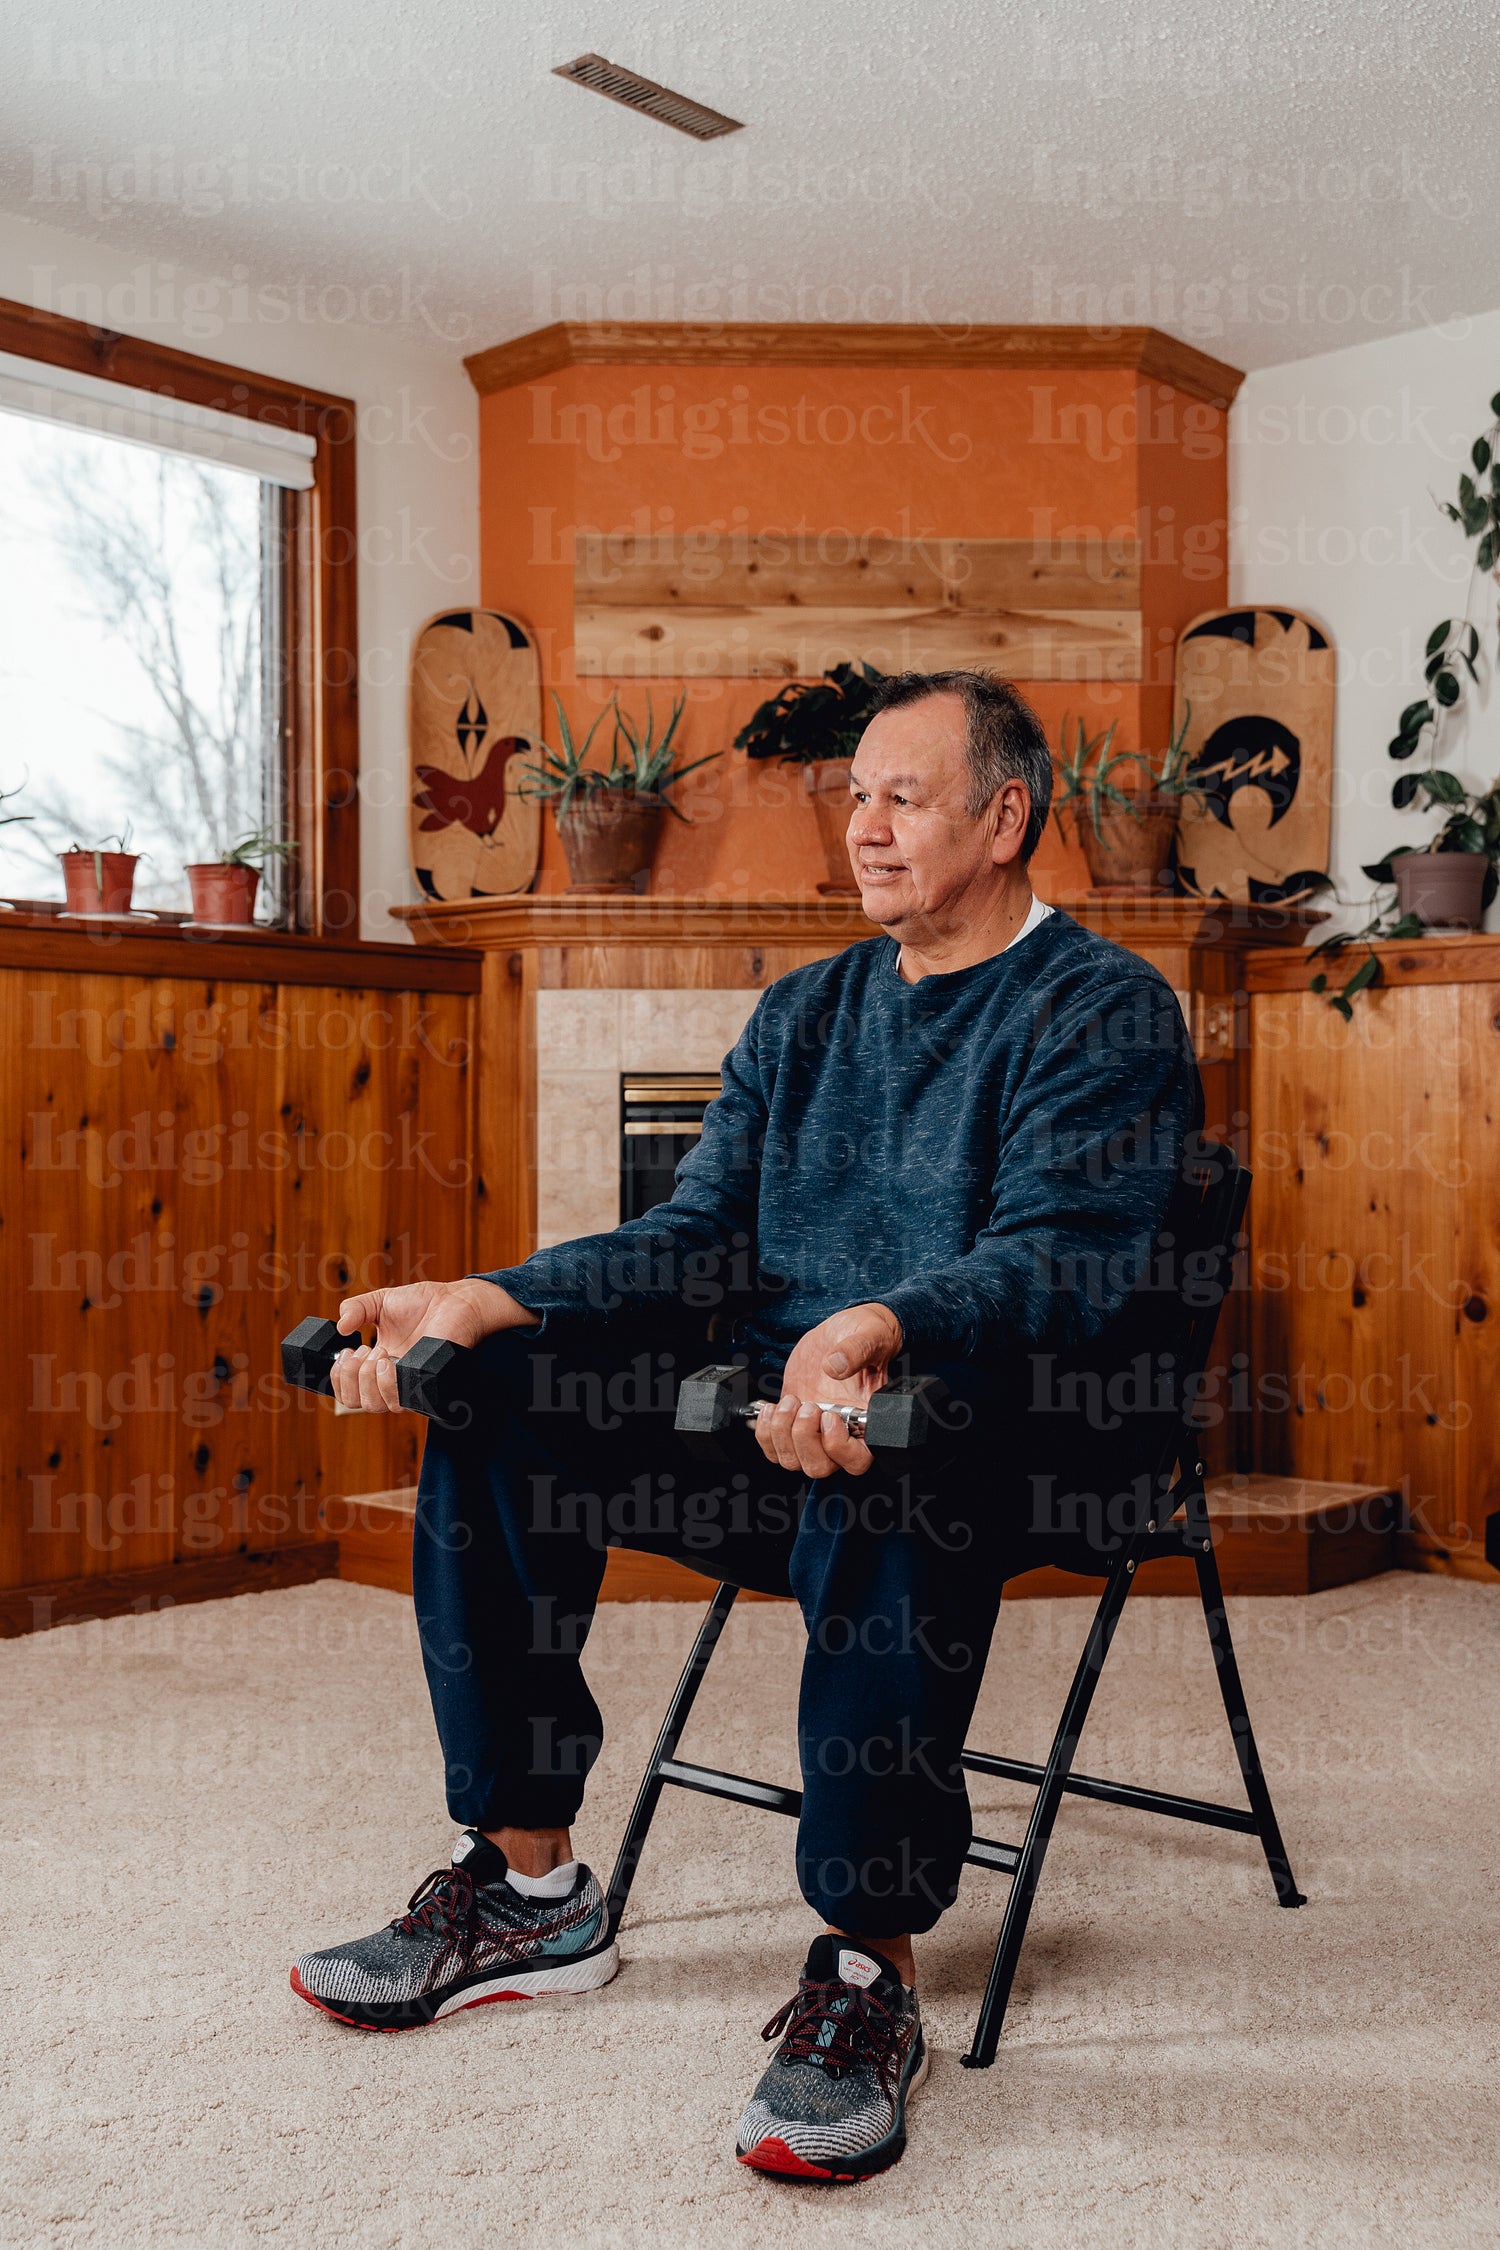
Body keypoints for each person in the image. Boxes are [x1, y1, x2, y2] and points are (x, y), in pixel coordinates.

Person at [290, 670, 1203, 2185]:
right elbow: (701, 1237)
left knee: (888, 1448)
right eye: (857, 797)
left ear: (1006, 815)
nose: (866, 827)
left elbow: (1069, 1256)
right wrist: (490, 1297)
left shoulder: (1100, 1007)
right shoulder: (811, 1008)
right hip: (771, 1416)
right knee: (498, 1401)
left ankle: (866, 1968)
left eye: (902, 796)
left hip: (1008, 1431)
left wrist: (876, 1323)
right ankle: (532, 1887)